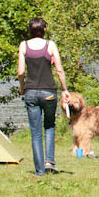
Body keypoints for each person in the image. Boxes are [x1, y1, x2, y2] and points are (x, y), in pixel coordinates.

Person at [17, 16, 69, 176]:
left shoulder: (24, 45)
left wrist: (22, 87)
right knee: (49, 125)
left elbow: (20, 72)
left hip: (31, 92)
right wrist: (65, 89)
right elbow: (59, 70)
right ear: (44, 30)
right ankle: (50, 162)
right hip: (49, 92)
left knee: (35, 132)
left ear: (30, 30)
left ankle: (39, 170)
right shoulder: (50, 45)